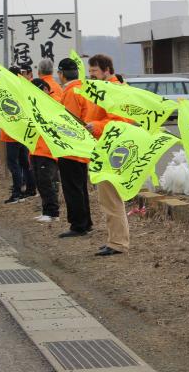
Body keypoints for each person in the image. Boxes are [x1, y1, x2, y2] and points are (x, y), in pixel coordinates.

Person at [86, 54, 130, 256]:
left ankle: (118, 242)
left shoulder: (114, 90)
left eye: (94, 71)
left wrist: (95, 126)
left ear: (106, 70)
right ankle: (114, 239)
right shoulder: (106, 89)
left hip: (112, 149)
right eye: (90, 71)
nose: (91, 75)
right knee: (107, 198)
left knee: (111, 197)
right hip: (104, 147)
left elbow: (118, 122)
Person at [56, 58, 92, 237]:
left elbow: (69, 121)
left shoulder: (71, 92)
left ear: (61, 74)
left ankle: (78, 225)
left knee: (73, 188)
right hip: (82, 147)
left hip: (71, 148)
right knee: (80, 186)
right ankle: (86, 222)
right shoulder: (83, 88)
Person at [0, 65, 36, 204]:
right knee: (24, 162)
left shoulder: (8, 90)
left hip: (12, 133)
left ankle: (17, 192)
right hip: (23, 132)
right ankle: (30, 188)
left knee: (14, 164)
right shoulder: (24, 88)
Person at [31, 78, 61, 223]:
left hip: (46, 150)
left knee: (46, 181)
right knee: (40, 181)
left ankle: (52, 211)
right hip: (35, 148)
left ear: (44, 90)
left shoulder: (52, 102)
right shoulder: (37, 103)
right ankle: (46, 210)